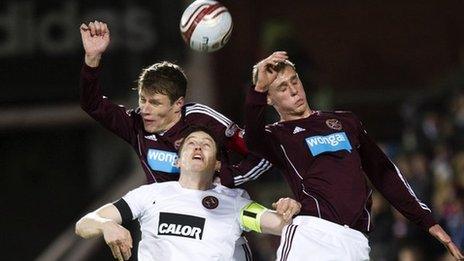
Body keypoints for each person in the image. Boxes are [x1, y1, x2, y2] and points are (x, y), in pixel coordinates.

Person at [244, 51, 464, 260]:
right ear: (269, 99)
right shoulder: (277, 136)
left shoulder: (346, 121)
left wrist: (426, 221)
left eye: (295, 81)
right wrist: (258, 89)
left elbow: (384, 172)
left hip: (356, 242)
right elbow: (252, 140)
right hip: (313, 236)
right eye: (282, 88)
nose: (294, 90)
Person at [79, 20, 270, 260]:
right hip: (169, 229)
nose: (145, 109)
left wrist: (226, 177)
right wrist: (92, 59)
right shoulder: (136, 124)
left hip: (217, 220)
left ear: (178, 104)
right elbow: (93, 104)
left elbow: (259, 153)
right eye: (142, 100)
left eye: (155, 103)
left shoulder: (203, 121)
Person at [75, 126, 301, 261]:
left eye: (207, 145)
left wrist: (292, 208)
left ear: (217, 165)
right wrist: (106, 225)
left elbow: (284, 226)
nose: (198, 147)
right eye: (191, 143)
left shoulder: (234, 204)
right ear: (177, 160)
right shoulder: (149, 195)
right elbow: (84, 224)